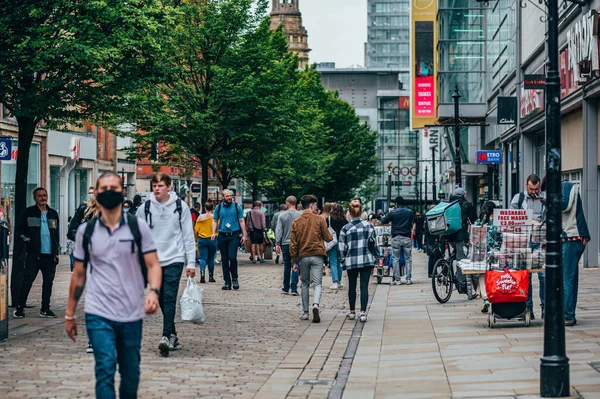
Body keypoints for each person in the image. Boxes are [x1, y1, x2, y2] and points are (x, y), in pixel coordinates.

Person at [65, 172, 162, 399]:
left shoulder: (138, 227)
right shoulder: (85, 231)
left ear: (122, 193)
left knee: (130, 374)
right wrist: (70, 314)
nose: (109, 192)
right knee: (105, 369)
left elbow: (153, 265)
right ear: (96, 195)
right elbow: (78, 275)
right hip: (98, 312)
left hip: (130, 312)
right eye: (104, 188)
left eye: (114, 188)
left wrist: (154, 292)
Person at [136, 173, 196, 356]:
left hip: (175, 257)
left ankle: (165, 336)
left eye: (160, 185)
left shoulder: (180, 207)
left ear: (168, 186)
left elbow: (188, 235)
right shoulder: (144, 208)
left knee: (169, 295)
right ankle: (173, 334)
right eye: (154, 185)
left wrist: (191, 262)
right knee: (160, 297)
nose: (157, 188)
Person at [14, 188, 60, 319]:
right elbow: (20, 231)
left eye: (45, 195)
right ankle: (20, 308)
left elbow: (56, 234)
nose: (43, 198)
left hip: (49, 255)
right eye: (40, 196)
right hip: (34, 255)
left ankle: (45, 308)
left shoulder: (53, 214)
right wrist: (29, 242)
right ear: (35, 198)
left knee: (48, 283)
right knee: (27, 281)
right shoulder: (28, 213)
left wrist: (56, 251)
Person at [290, 195, 333, 322]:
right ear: (312, 205)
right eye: (315, 205)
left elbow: (293, 244)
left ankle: (304, 312)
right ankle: (315, 304)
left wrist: (294, 261)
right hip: (317, 255)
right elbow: (328, 238)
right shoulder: (319, 220)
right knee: (318, 283)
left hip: (303, 256)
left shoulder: (296, 222)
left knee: (304, 283)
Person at [511, 174, 546, 319]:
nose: (534, 192)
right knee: (526, 275)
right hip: (524, 240)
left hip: (541, 239)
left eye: (536, 189)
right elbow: (512, 217)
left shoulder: (544, 198)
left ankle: (545, 307)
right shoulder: (518, 198)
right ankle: (527, 308)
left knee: (543, 275)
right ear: (526, 185)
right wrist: (530, 221)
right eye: (531, 189)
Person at [338, 198, 376, 322]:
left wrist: (342, 260)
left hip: (351, 260)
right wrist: (377, 256)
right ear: (361, 213)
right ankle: (363, 312)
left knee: (352, 286)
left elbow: (341, 247)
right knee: (364, 286)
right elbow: (374, 244)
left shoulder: (345, 228)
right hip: (366, 259)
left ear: (349, 213)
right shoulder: (369, 226)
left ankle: (352, 311)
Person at [560, 179, 590, 326]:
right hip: (571, 238)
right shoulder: (565, 187)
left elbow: (564, 205)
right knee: (569, 277)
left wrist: (549, 200)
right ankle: (567, 313)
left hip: (572, 238)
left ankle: (568, 315)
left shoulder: (565, 187)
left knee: (567, 278)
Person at [212, 189, 247, 290]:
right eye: (227, 196)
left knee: (232, 257)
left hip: (234, 235)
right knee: (224, 259)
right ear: (223, 197)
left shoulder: (237, 207)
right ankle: (227, 281)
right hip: (222, 235)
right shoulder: (218, 208)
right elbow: (214, 220)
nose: (229, 198)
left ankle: (235, 278)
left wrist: (244, 235)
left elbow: (241, 220)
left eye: (231, 196)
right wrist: (213, 232)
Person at [381, 196, 414, 285]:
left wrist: (383, 215)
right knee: (408, 259)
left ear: (396, 203)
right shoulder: (409, 212)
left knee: (396, 259)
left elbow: (384, 221)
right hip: (407, 236)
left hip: (396, 237)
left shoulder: (393, 212)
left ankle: (397, 280)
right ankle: (408, 279)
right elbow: (412, 221)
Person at [275, 196, 302, 296]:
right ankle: (294, 288)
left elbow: (279, 230)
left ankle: (286, 287)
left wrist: (277, 243)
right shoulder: (301, 215)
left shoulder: (282, 215)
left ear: (287, 203)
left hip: (286, 243)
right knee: (296, 265)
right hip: (297, 244)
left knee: (287, 265)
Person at [475, 201, 497, 313]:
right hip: (495, 253)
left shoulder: (478, 222)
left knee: (482, 275)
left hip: (481, 253)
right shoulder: (497, 222)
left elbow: (473, 237)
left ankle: (485, 298)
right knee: (495, 274)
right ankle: (494, 296)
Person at [195, 201, 218, 283]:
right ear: (212, 208)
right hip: (212, 239)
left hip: (202, 239)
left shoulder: (200, 217)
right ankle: (211, 276)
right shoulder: (214, 218)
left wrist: (196, 239)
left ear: (204, 208)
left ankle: (202, 273)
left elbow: (196, 229)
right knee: (211, 258)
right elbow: (217, 228)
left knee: (202, 258)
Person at [328, 203, 347, 290]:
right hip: (342, 242)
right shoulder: (344, 220)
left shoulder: (329, 219)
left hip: (332, 242)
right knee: (339, 262)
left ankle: (335, 282)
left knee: (333, 262)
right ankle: (339, 281)